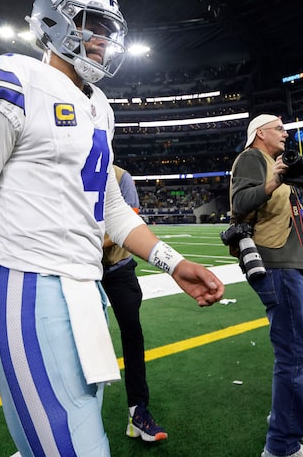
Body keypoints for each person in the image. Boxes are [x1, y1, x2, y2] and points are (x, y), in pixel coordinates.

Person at [0, 0, 224, 457]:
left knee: (66, 435)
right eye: (91, 24)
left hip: (87, 291)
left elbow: (110, 206)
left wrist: (173, 262)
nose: (103, 39)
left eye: (108, 28)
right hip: (29, 290)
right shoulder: (15, 79)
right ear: (54, 23)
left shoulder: (99, 106)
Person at [229, 114, 303, 457]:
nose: (286, 134)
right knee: (295, 352)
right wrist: (272, 182)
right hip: (273, 263)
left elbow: (293, 205)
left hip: (290, 262)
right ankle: (282, 446)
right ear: (260, 133)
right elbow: (240, 203)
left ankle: (293, 419)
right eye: (280, 129)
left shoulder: (273, 162)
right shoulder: (251, 158)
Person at [100, 164, 167, 443]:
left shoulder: (120, 176)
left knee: (132, 335)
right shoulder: (64, 165)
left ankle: (138, 412)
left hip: (117, 267)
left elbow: (127, 226)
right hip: (78, 270)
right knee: (79, 338)